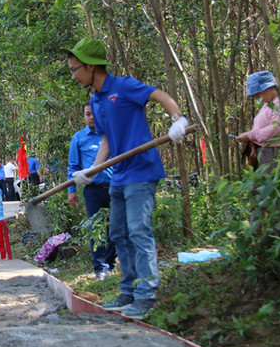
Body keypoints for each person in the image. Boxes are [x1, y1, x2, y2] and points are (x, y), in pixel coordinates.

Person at [65, 36, 188, 319]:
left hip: (141, 171)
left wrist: (177, 118)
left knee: (138, 230)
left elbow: (159, 95)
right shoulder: (96, 100)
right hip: (118, 175)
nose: (73, 76)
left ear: (91, 66)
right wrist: (92, 170)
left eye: (75, 70)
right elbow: (107, 138)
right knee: (118, 232)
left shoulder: (123, 86)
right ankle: (129, 290)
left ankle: (147, 294)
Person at [67, 103, 116, 280]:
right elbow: (73, 166)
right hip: (93, 191)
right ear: (84, 116)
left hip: (116, 188)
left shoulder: (112, 134)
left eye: (94, 113)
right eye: (88, 114)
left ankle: (112, 263)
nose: (91, 117)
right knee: (96, 228)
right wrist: (71, 191)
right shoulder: (78, 138)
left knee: (116, 227)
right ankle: (100, 268)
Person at [236, 71, 280, 169]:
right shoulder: (269, 104)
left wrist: (250, 135)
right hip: (266, 151)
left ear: (268, 88)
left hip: (276, 152)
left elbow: (276, 128)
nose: (258, 97)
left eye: (258, 94)